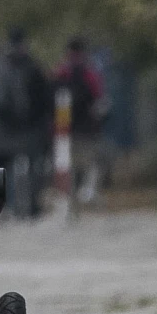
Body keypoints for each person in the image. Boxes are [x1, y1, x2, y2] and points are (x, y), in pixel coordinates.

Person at [0, 27, 54, 219]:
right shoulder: (28, 66)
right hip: (19, 129)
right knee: (21, 169)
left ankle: (9, 207)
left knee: (7, 169)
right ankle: (21, 207)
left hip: (4, 130)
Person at [53, 36, 109, 205]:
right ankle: (87, 193)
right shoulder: (90, 73)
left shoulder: (61, 71)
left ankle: (68, 198)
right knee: (91, 163)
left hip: (64, 129)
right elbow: (100, 99)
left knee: (66, 165)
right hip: (87, 128)